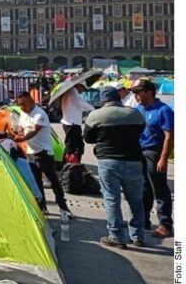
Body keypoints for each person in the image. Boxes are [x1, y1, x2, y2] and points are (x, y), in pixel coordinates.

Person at [83, 86, 146, 248]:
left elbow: (88, 138)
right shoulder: (135, 113)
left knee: (112, 199)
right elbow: (141, 130)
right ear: (118, 98)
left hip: (108, 160)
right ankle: (138, 236)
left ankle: (117, 236)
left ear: (103, 100)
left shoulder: (96, 115)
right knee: (136, 200)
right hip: (134, 160)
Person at [11, 91, 71, 217]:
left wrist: (20, 139)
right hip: (30, 153)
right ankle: (42, 206)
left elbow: (34, 131)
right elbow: (22, 129)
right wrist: (17, 132)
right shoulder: (23, 114)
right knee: (36, 181)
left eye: (23, 104)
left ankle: (63, 207)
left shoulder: (40, 114)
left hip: (43, 153)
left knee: (53, 180)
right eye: (20, 105)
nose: (22, 108)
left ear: (30, 100)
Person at [132, 80, 174, 238]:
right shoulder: (139, 109)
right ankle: (144, 220)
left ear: (149, 92)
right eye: (134, 93)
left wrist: (163, 159)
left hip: (155, 152)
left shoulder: (163, 110)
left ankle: (165, 224)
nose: (135, 96)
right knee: (143, 188)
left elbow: (170, 137)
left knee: (159, 188)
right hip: (140, 152)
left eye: (138, 92)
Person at [59, 83, 95, 161]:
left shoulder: (70, 92)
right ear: (79, 85)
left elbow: (77, 106)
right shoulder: (72, 91)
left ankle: (72, 166)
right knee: (75, 147)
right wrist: (93, 108)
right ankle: (70, 166)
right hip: (72, 123)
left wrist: (88, 109)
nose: (83, 91)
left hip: (70, 122)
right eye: (83, 88)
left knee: (73, 146)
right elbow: (79, 103)